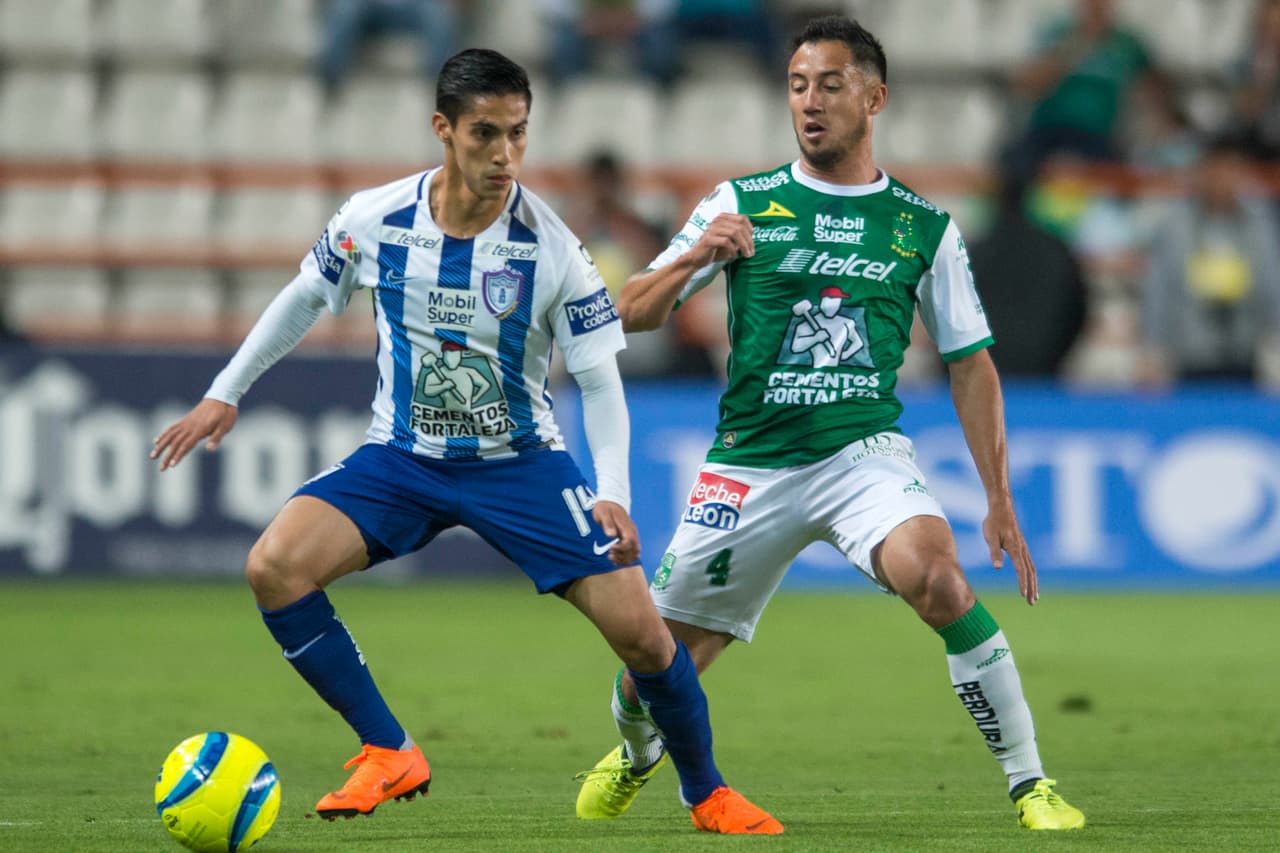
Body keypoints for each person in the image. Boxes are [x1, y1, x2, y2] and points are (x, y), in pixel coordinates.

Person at [151, 48, 780, 835]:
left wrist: (613, 492)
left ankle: (706, 792)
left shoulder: (552, 246)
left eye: (518, 133)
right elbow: (305, 294)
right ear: (443, 129)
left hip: (522, 465)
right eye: (486, 133)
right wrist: (225, 392)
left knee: (646, 639)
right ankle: (389, 748)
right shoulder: (375, 218)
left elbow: (599, 381)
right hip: (401, 459)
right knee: (273, 566)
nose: (505, 153)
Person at [573, 16, 1086, 831]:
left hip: (862, 455)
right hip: (749, 464)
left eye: (830, 85)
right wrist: (698, 254)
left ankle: (1032, 785)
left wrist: (998, 496)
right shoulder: (740, 202)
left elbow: (970, 363)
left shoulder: (923, 227)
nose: (809, 102)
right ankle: (637, 752)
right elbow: (627, 311)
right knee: (652, 666)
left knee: (939, 579)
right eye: (798, 85)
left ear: (874, 98)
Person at [1136, 136, 1280, 386]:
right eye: (1215, 171)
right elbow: (1159, 289)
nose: (1222, 180)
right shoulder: (1175, 226)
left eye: (1230, 171)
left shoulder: (1259, 225)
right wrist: (1153, 348)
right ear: (1202, 173)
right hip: (1188, 348)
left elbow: (1272, 283)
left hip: (1245, 346)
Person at [969, 160, 1089, 379]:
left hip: (984, 374)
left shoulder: (972, 254)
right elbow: (1078, 314)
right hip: (1042, 371)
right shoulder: (1057, 250)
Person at [1007, 0, 1154, 171]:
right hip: (1048, 129)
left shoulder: (1128, 44)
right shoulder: (1057, 33)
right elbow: (1028, 84)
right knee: (1016, 166)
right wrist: (1077, 44)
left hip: (1098, 135)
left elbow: (1151, 87)